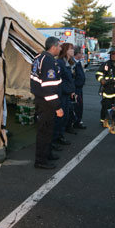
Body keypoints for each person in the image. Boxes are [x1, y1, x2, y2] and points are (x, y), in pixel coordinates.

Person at [30, 37, 64, 169]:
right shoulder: (48, 61)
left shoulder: (39, 57)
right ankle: (41, 161)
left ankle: (47, 154)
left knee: (48, 131)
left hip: (42, 101)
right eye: (59, 46)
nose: (61, 49)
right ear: (54, 47)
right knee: (44, 132)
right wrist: (57, 107)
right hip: (46, 103)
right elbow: (48, 88)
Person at [52, 43, 76, 145]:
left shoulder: (69, 63)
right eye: (71, 49)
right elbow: (58, 80)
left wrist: (71, 91)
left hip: (67, 94)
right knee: (59, 118)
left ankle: (60, 137)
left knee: (65, 117)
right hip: (61, 95)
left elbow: (70, 79)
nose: (73, 51)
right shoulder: (60, 63)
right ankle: (55, 139)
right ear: (65, 50)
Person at [72, 46, 87, 129]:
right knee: (76, 106)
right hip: (75, 89)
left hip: (79, 88)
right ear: (77, 53)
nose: (82, 54)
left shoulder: (78, 62)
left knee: (79, 105)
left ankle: (78, 120)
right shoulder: (72, 63)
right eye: (81, 53)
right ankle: (75, 122)